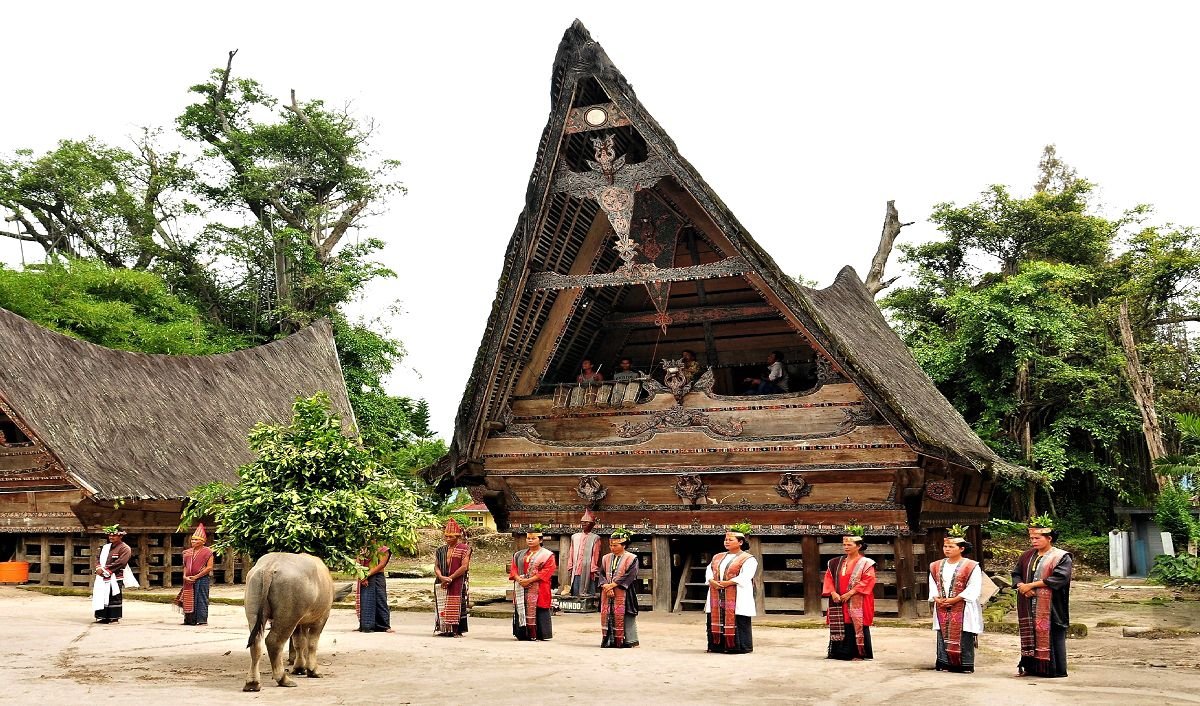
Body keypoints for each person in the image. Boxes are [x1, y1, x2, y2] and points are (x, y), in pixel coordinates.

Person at [1012, 517, 1073, 678]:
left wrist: (1031, 586)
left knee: (1052, 635)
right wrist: (1022, 587)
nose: (1033, 541)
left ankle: (1053, 669)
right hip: (1027, 602)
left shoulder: (1061, 556)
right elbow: (1016, 574)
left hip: (1051, 604)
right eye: (1031, 538)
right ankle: (1031, 668)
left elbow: (1060, 578)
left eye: (1037, 538)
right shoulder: (1026, 556)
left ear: (1049, 538)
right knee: (1029, 634)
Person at [929, 527, 983, 673]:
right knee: (942, 632)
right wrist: (936, 598)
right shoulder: (935, 565)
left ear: (961, 548)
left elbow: (974, 586)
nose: (947, 549)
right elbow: (933, 583)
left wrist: (956, 599)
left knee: (963, 632)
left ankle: (964, 664)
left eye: (951, 547)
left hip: (963, 605)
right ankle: (944, 663)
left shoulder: (971, 566)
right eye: (945, 546)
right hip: (941, 605)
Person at [823, 525, 877, 660]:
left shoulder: (866, 563)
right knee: (842, 622)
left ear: (858, 546)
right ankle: (838, 652)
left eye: (849, 544)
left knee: (856, 623)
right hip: (838, 598)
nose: (846, 547)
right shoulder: (835, 562)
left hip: (858, 599)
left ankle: (857, 652)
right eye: (844, 544)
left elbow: (868, 580)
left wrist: (851, 593)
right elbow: (828, 578)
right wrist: (833, 593)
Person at [705, 524, 758, 654]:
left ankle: (738, 647)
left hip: (737, 593)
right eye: (725, 540)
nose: (726, 542)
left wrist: (728, 583)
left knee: (738, 619)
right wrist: (712, 581)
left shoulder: (748, 559)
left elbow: (746, 576)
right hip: (716, 591)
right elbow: (709, 570)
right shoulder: (717, 557)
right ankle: (717, 646)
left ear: (740, 542)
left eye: (730, 540)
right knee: (716, 617)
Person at [509, 526, 557, 641]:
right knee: (521, 608)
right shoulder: (519, 554)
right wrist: (518, 579)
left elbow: (547, 571)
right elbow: (513, 568)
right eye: (528, 538)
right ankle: (522, 633)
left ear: (540, 540)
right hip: (521, 586)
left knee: (539, 609)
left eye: (533, 538)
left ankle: (539, 634)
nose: (530, 540)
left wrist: (530, 580)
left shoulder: (547, 555)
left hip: (539, 587)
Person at [599, 527, 639, 648]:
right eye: (611, 545)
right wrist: (606, 586)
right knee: (607, 615)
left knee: (626, 614)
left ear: (624, 545)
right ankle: (609, 640)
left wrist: (613, 585)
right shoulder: (605, 558)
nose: (612, 548)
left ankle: (627, 640)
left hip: (624, 590)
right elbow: (601, 574)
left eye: (615, 545)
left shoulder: (632, 558)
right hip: (607, 591)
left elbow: (631, 575)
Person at [92, 524, 138, 624]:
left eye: (114, 535)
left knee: (114, 596)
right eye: (110, 535)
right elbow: (97, 557)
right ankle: (103, 616)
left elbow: (121, 562)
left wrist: (107, 571)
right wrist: (99, 568)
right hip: (102, 575)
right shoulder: (105, 547)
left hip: (115, 576)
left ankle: (114, 617)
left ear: (120, 536)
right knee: (102, 594)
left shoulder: (125, 548)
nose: (111, 537)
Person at [434, 518, 472, 637]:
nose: (448, 539)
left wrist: (450, 578)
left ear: (457, 536)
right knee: (441, 604)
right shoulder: (440, 550)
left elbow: (464, 566)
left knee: (457, 604)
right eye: (446, 536)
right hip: (442, 579)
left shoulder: (464, 548)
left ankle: (456, 629)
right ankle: (444, 629)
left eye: (451, 537)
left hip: (457, 580)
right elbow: (436, 566)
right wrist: (441, 577)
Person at [177, 523, 214, 626]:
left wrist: (196, 576)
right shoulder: (186, 552)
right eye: (192, 539)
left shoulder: (208, 552)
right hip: (188, 579)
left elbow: (209, 567)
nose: (193, 541)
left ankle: (201, 619)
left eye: (196, 540)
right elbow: (185, 566)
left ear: (202, 542)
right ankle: (189, 620)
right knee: (188, 598)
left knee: (201, 598)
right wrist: (185, 576)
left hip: (202, 579)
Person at [356, 542, 393, 633]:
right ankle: (366, 625)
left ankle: (384, 625)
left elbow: (381, 565)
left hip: (376, 577)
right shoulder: (362, 549)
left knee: (380, 600)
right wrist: (362, 576)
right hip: (363, 577)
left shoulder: (383, 549)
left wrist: (368, 574)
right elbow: (357, 563)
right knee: (365, 601)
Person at [564, 508, 601, 598]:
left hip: (587, 567)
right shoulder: (575, 537)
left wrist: (593, 567)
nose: (584, 524)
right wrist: (570, 564)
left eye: (586, 522)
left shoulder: (595, 538)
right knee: (576, 585)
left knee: (587, 585)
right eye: (582, 522)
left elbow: (595, 554)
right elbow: (571, 552)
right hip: (577, 566)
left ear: (592, 524)